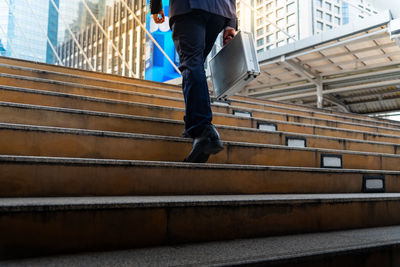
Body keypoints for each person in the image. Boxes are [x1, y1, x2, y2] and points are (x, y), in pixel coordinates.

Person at [150, 0, 237, 163]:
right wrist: (231, 22)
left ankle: (202, 130)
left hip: (189, 7)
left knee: (191, 63)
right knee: (195, 65)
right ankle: (193, 125)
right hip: (220, 12)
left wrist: (155, 7)